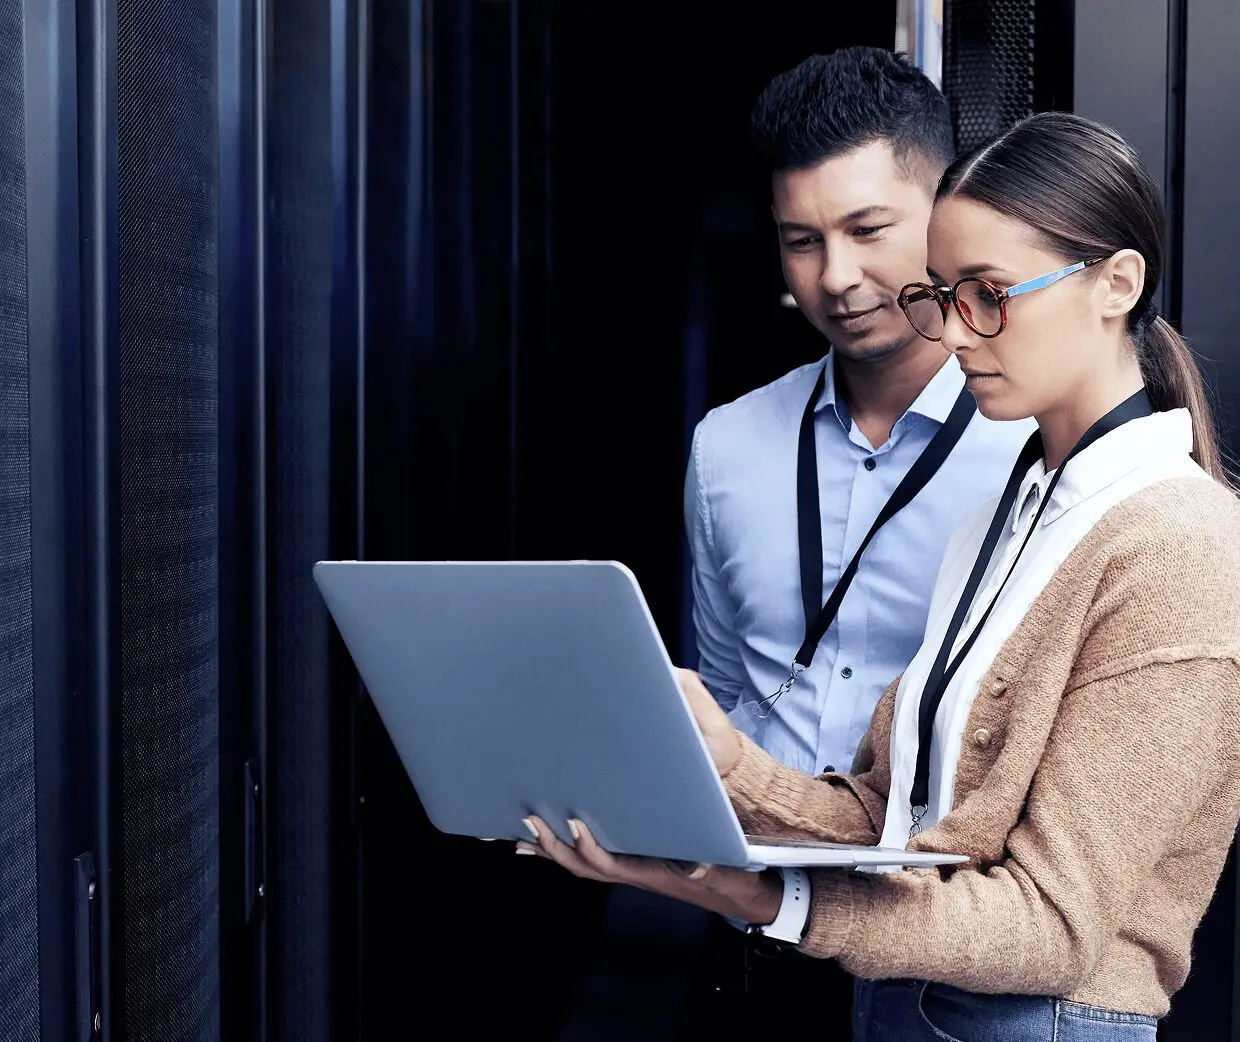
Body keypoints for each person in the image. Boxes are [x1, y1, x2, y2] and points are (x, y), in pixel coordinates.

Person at [520, 110, 1240, 1041]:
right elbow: (894, 821)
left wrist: (761, 895)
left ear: (1117, 285)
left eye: (991, 292)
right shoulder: (1014, 516)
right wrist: (726, 760)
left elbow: (1053, 926)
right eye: (942, 294)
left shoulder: (1180, 543)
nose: (958, 329)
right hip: (906, 1007)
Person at [680, 47, 1030, 1032]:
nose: (837, 276)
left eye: (868, 229)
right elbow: (732, 693)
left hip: (945, 950)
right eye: (801, 239)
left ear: (948, 213)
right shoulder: (726, 446)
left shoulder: (1031, 444)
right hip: (753, 933)